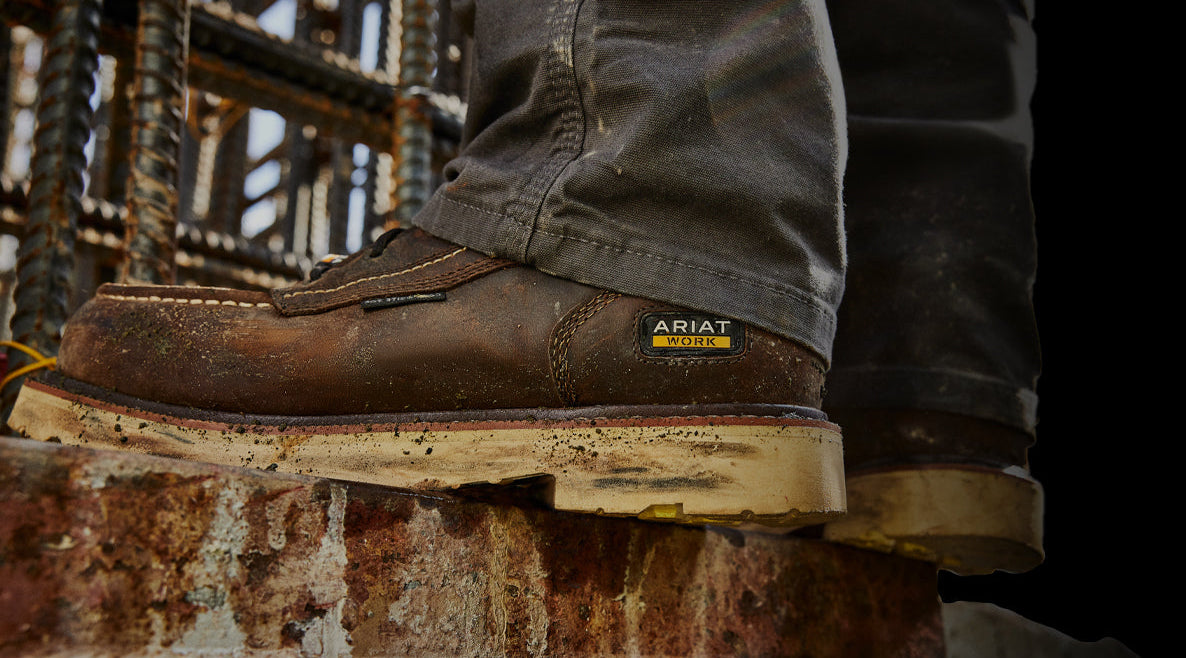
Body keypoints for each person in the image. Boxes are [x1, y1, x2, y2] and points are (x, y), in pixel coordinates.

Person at [10, 0, 1041, 572]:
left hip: (654, 281)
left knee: (658, 253)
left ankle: (622, 242)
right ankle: (911, 370)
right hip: (847, 319)